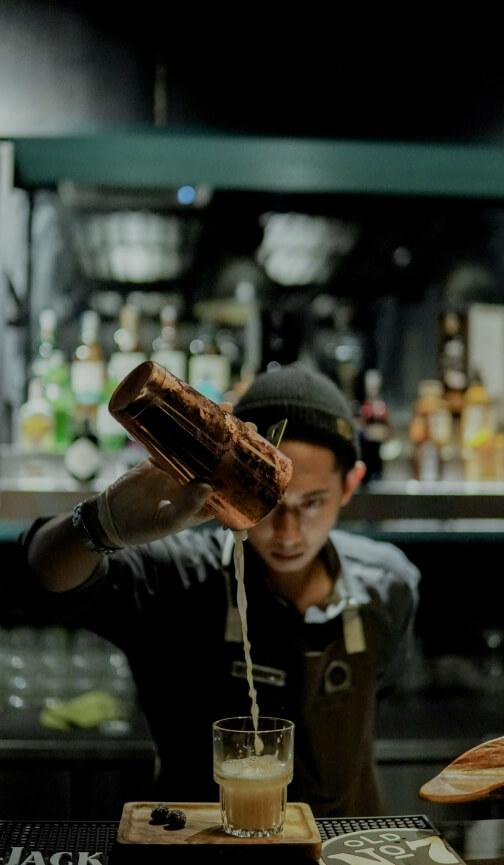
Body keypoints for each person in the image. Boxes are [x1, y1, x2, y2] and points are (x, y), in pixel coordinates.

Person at [19, 362, 420, 817]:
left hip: (342, 849)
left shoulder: (388, 584)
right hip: (199, 850)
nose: (288, 532)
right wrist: (101, 522)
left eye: (313, 503)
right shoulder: (179, 577)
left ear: (349, 486)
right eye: (269, 500)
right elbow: (41, 572)